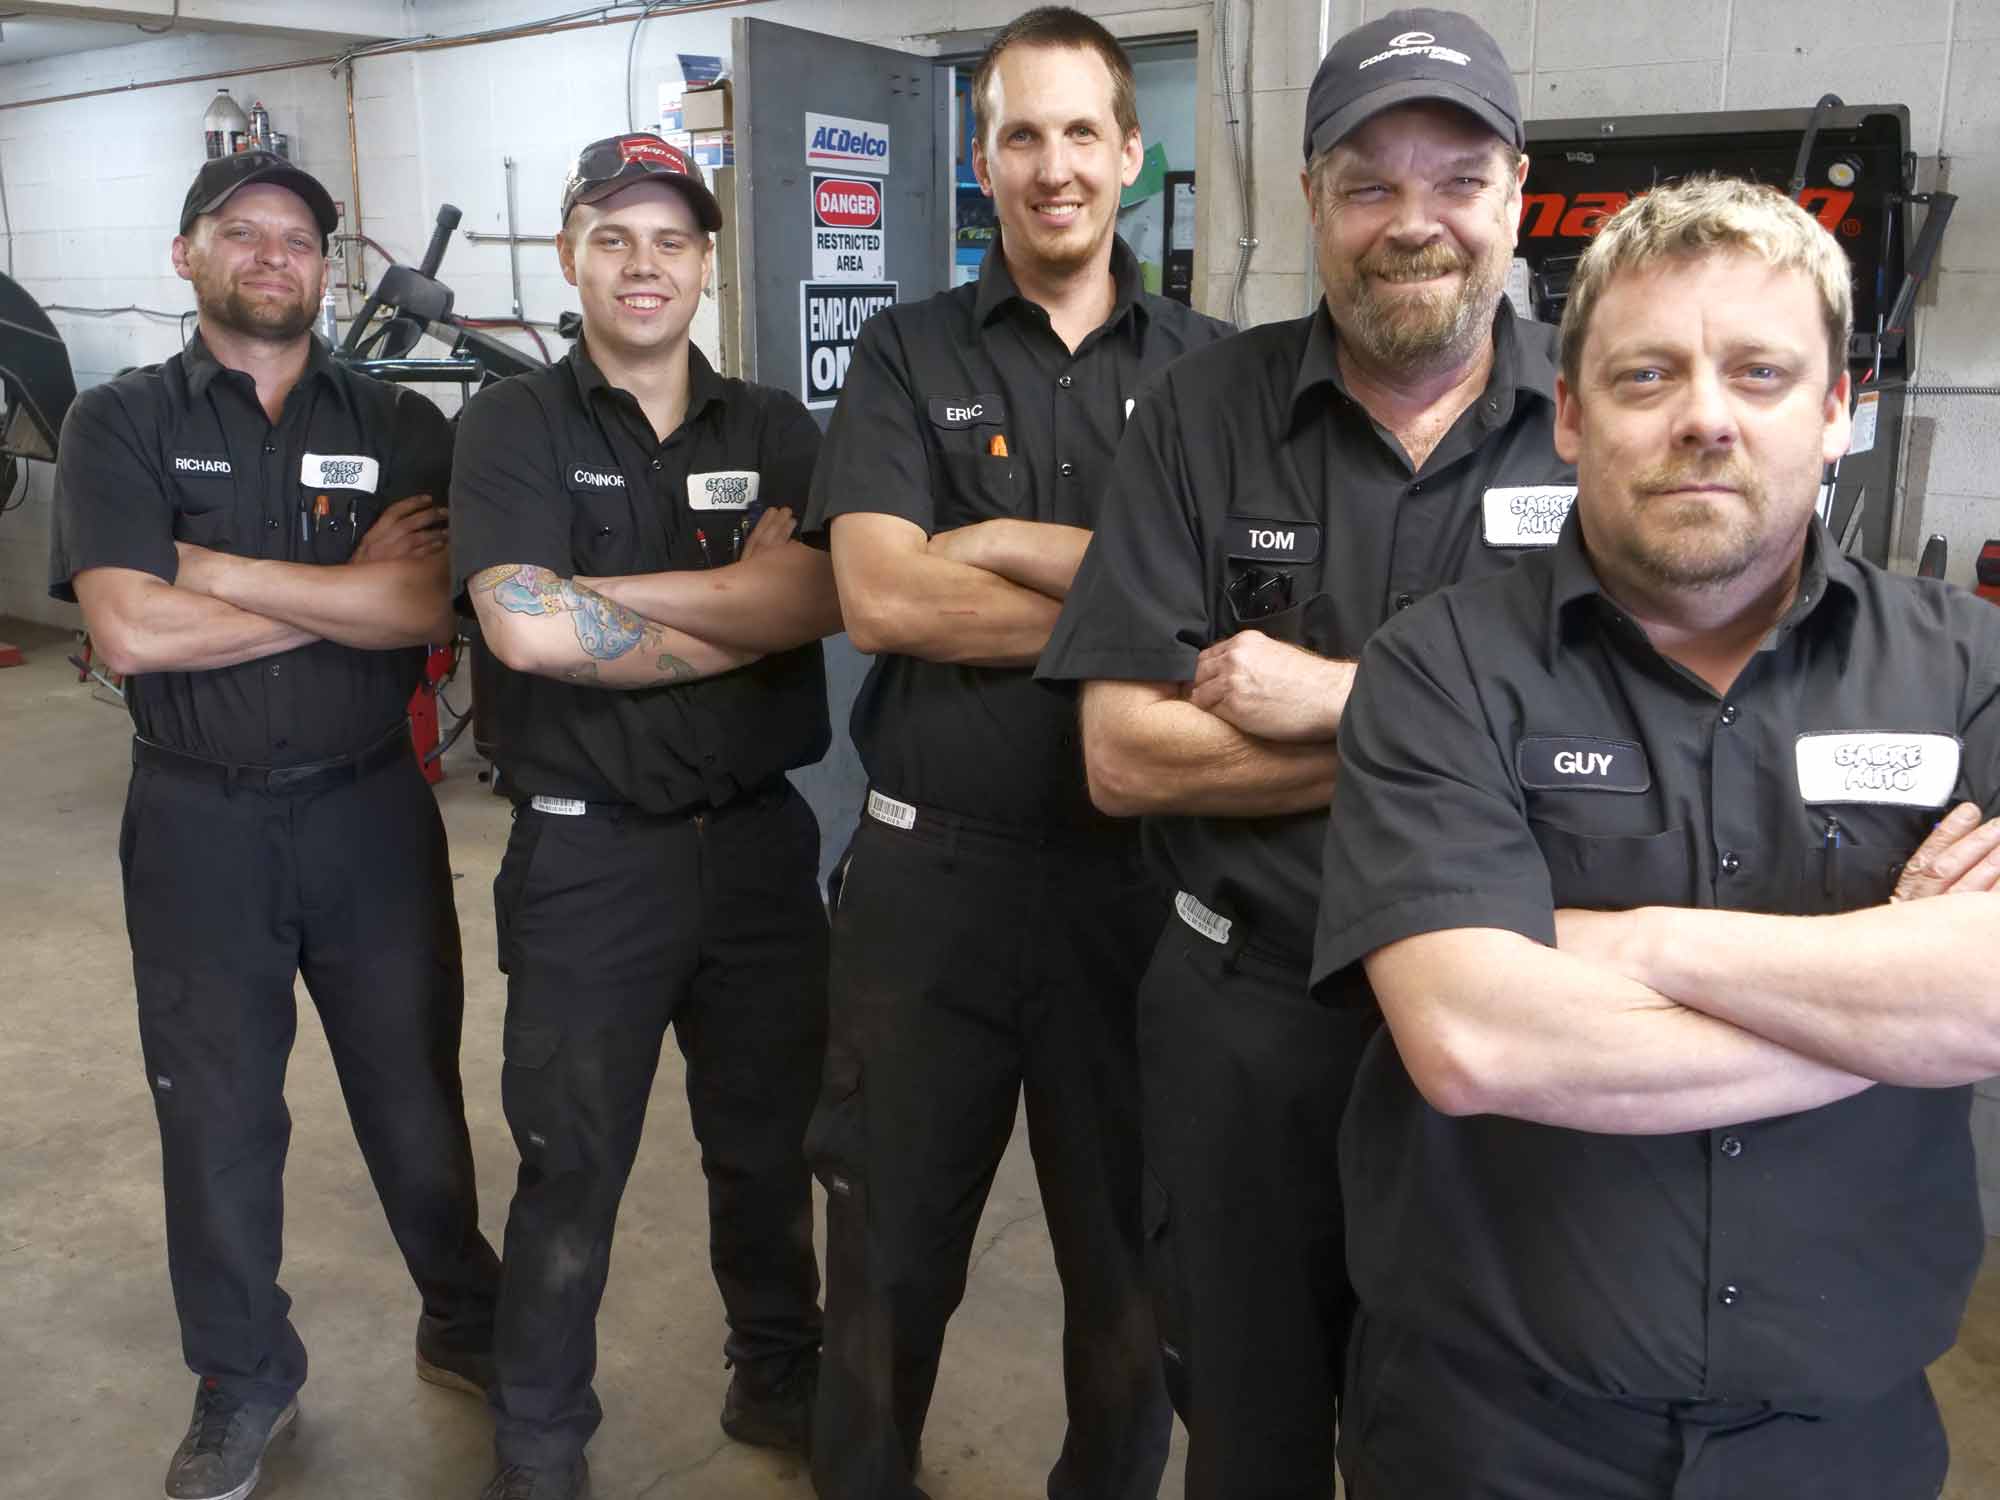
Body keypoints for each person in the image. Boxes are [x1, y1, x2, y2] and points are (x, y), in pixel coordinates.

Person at [1313, 174, 2000, 1499]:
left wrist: (1634, 946)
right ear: (1570, 416)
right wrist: (1889, 1001)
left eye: (1760, 372)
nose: (1704, 418)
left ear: (1836, 412)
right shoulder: (1440, 671)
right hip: (1491, 1441)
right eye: (1646, 375)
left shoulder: (1971, 672)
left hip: (1839, 1447)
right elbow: (1477, 1040)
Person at [1035, 11, 1570, 1496]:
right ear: (1311, 200)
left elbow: (1640, 743)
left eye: (1456, 180)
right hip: (1246, 1022)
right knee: (1248, 1434)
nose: (1414, 223)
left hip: (1514, 1021)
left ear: (1516, 196)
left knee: (1475, 1443)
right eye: (1368, 184)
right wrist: (1489, 747)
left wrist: (1339, 702)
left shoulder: (1603, 420)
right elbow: (1125, 757)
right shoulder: (1205, 414)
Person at [798, 9, 1230, 1497]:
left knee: (1133, 1271)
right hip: (930, 891)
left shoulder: (1214, 375)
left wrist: (998, 545)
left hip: (1143, 891)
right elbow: (883, 599)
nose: (1054, 167)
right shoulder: (903, 350)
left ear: (1131, 152)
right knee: (885, 1254)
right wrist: (1133, 607)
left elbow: (1225, 621)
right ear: (982, 161)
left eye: (1081, 133)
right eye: (1021, 136)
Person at [49, 150, 500, 1500]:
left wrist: (214, 572)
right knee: (216, 1114)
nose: (271, 255)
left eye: (298, 238)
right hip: (197, 823)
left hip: (371, 813)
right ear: (186, 254)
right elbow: (131, 633)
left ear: (324, 268)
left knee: (415, 1096)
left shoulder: (403, 423)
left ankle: (465, 1320)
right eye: (241, 231)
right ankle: (242, 1380)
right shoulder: (116, 422)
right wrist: (337, 589)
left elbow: (423, 607)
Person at [451, 132, 843, 1500]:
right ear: (571, 255)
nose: (643, 264)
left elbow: (820, 597)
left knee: (770, 1146)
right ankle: (540, 1442)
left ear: (705, 264)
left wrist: (590, 595)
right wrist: (733, 604)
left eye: (671, 239)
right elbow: (519, 630)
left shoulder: (776, 428)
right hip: (586, 856)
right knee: (570, 1164)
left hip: (757, 852)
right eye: (613, 236)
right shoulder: (513, 424)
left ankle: (778, 1376)